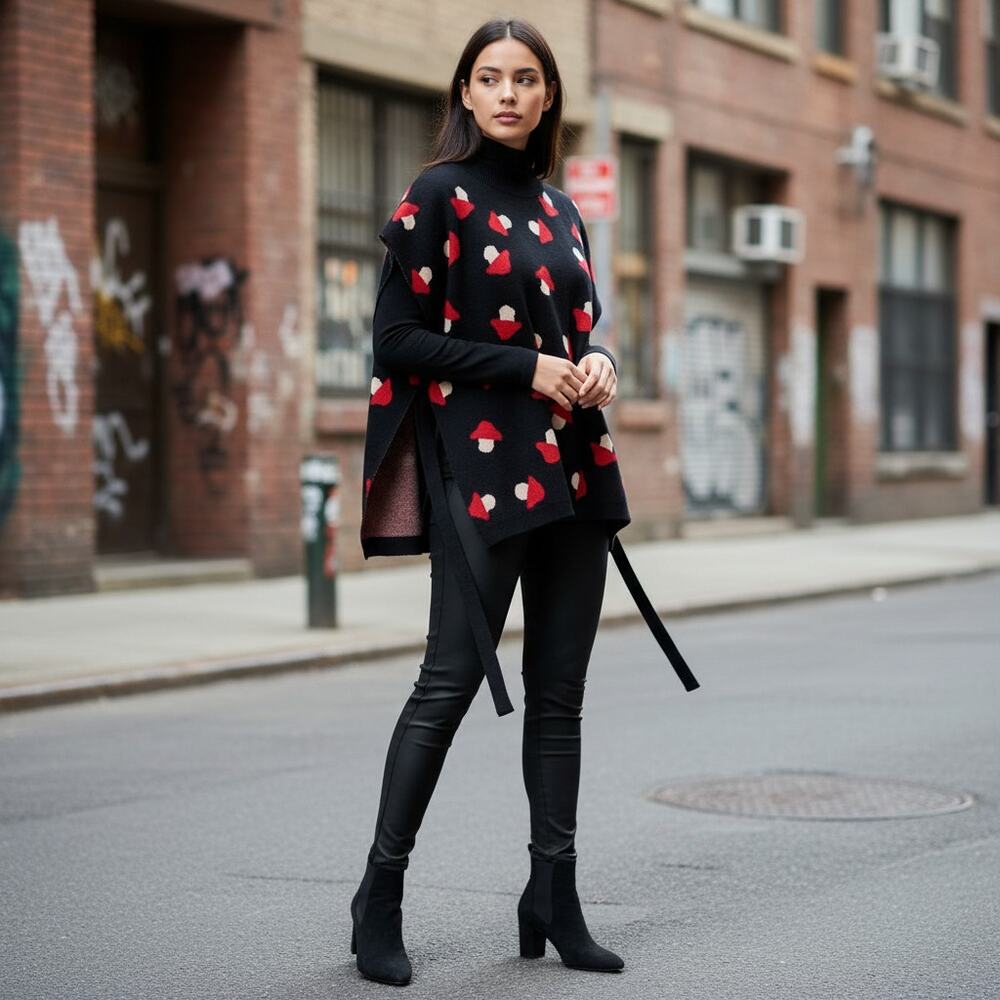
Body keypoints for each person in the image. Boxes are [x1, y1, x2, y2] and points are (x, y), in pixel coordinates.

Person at [350, 16, 698, 987]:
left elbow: (584, 321)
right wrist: (528, 368)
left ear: (547, 97)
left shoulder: (556, 210)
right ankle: (378, 895)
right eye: (489, 77)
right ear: (464, 91)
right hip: (480, 468)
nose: (507, 93)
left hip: (575, 473)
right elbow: (396, 340)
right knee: (447, 684)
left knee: (560, 699)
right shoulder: (436, 197)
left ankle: (553, 894)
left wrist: (596, 360)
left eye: (525, 79)